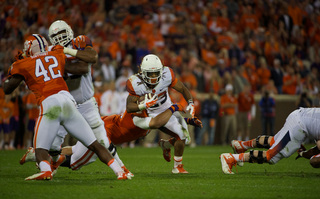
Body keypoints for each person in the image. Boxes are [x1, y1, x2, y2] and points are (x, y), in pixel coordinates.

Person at [2, 34, 129, 180]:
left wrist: (14, 70)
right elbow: (79, 68)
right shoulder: (56, 54)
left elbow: (7, 89)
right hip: (68, 101)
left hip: (49, 104)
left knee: (40, 149)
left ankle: (46, 170)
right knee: (94, 144)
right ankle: (119, 172)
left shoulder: (24, 63)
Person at [47, 20, 128, 176]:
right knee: (53, 144)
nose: (59, 37)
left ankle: (122, 168)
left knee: (102, 140)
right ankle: (50, 164)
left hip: (86, 103)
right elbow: (79, 66)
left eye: (62, 33)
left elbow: (88, 61)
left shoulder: (80, 41)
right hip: (64, 104)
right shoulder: (50, 52)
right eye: (55, 35)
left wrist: (64, 55)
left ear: (69, 31)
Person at [20, 103, 203, 172]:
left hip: (106, 126)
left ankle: (35, 154)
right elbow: (158, 122)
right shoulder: (140, 118)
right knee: (76, 162)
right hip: (103, 132)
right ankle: (45, 160)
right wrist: (174, 108)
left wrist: (189, 121)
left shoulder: (148, 114)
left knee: (75, 150)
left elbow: (164, 120)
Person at [126, 54, 196, 173]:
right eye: (150, 74)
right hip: (149, 113)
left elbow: (183, 88)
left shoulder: (167, 74)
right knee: (177, 133)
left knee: (184, 136)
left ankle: (173, 159)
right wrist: (143, 105)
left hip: (166, 108)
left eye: (156, 73)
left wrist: (190, 102)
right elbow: (129, 107)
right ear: (143, 72)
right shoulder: (135, 82)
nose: (153, 77)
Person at [220, 107, 320, 174]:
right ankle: (230, 158)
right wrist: (304, 154)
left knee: (274, 142)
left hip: (298, 115)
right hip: (299, 126)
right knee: (272, 157)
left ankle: (242, 146)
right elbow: (314, 161)